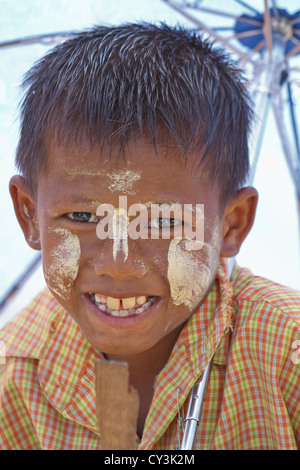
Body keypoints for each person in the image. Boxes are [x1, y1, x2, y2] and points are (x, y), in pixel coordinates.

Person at [0, 23, 299, 450]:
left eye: (162, 222)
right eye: (83, 215)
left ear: (231, 224)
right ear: (29, 215)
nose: (119, 264)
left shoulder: (286, 357)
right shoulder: (13, 380)